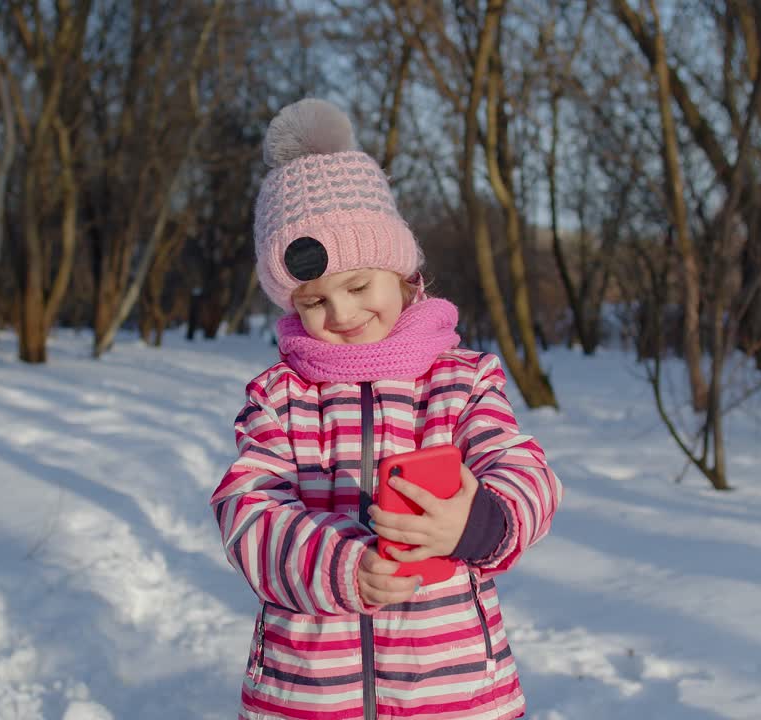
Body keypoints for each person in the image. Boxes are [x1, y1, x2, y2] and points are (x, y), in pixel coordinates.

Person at [210, 98, 562, 720]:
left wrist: (474, 522)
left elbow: (526, 472)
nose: (341, 315)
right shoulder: (280, 397)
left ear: (400, 273)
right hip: (309, 694)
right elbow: (247, 511)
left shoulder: (461, 380)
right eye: (314, 301)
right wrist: (341, 566)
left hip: (452, 694)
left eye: (357, 286)